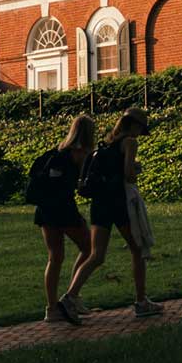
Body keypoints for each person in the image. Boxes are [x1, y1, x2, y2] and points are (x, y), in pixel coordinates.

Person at [59, 107, 159, 319]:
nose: (141, 133)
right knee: (137, 249)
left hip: (100, 203)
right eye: (141, 128)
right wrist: (136, 169)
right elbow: (129, 175)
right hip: (118, 203)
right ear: (134, 125)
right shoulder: (130, 142)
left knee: (96, 255)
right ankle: (141, 301)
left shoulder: (107, 143)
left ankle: (69, 296)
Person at [25, 115, 95, 323]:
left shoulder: (58, 151)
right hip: (64, 209)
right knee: (90, 249)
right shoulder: (81, 153)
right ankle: (72, 297)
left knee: (55, 258)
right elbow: (82, 186)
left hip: (45, 210)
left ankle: (52, 308)